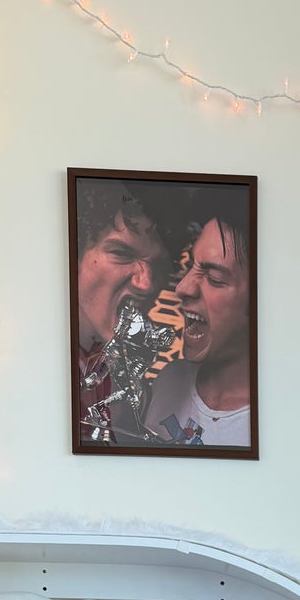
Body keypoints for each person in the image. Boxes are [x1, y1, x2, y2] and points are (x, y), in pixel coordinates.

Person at [144, 194, 252, 449]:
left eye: (214, 278)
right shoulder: (168, 380)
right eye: (191, 266)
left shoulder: (278, 417)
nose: (182, 288)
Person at [75, 180, 167, 444]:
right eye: (121, 253)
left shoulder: (128, 378)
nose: (147, 284)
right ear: (75, 256)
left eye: (158, 264)